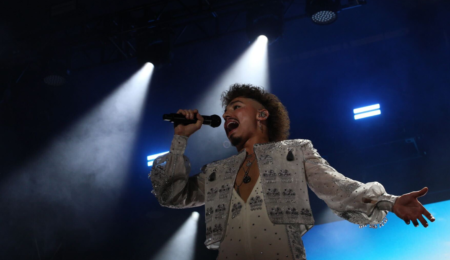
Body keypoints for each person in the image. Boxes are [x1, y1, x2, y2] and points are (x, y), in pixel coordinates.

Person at [149, 84, 435, 260]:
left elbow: (338, 187)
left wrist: (391, 201)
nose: (226, 116)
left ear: (262, 115)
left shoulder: (294, 151)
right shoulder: (217, 172)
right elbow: (172, 195)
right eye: (224, 113)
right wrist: (180, 139)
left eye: (236, 107)